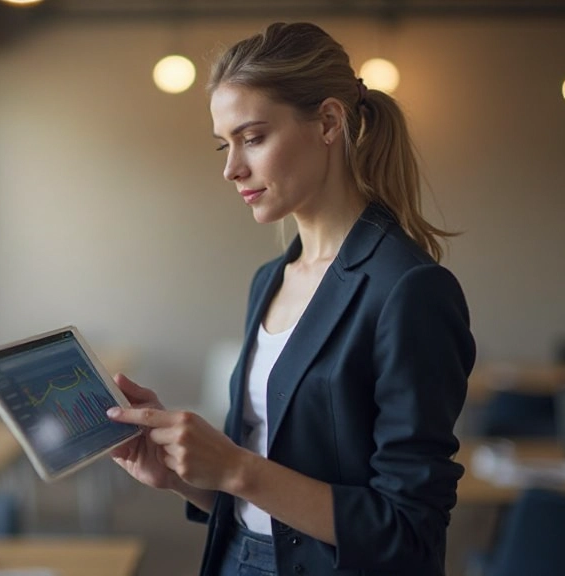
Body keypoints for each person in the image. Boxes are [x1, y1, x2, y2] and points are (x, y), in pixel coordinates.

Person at [106, 21, 476, 576]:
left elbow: (409, 532)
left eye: (252, 138)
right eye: (224, 145)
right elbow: (264, 504)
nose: (231, 168)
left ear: (329, 122)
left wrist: (233, 467)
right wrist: (183, 474)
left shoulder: (408, 289)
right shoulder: (270, 279)